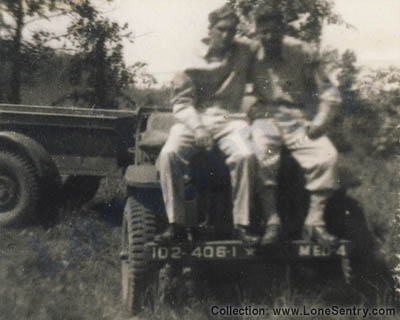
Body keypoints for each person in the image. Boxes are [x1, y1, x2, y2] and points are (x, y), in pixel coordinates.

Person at [156, 4, 259, 243]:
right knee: (169, 154)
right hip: (195, 117)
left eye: (232, 31)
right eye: (221, 29)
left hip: (229, 118)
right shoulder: (190, 59)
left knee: (246, 155)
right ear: (210, 29)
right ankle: (176, 223)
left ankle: (241, 224)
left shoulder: (244, 50)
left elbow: (271, 41)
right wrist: (198, 127)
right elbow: (181, 103)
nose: (226, 36)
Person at [250, 5, 341, 245]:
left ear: (282, 29)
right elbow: (235, 89)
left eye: (274, 31)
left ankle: (315, 222)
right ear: (257, 32)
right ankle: (272, 221)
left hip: (298, 120)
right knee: (262, 152)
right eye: (263, 32)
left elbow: (329, 92)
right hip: (266, 119)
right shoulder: (249, 54)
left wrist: (321, 122)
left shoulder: (302, 52)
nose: (269, 37)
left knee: (326, 156)